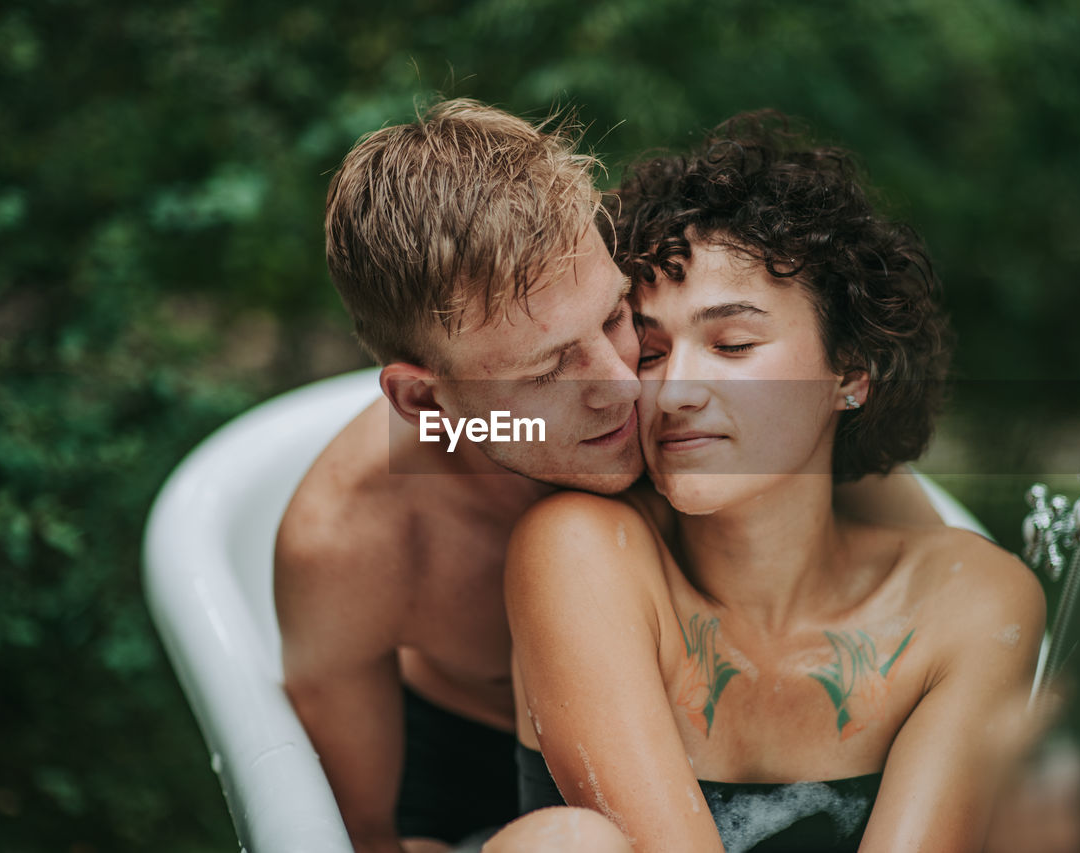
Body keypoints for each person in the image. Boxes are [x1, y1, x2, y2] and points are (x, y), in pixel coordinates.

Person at [275, 100, 949, 853]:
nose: (625, 385)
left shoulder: (704, 412)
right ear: (426, 399)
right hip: (476, 794)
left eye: (616, 316)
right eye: (549, 370)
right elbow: (357, 830)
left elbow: (939, 601)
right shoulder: (351, 542)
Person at [505, 113, 1047, 852]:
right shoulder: (583, 551)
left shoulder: (970, 600)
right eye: (652, 351)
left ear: (850, 373)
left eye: (732, 343)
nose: (674, 393)